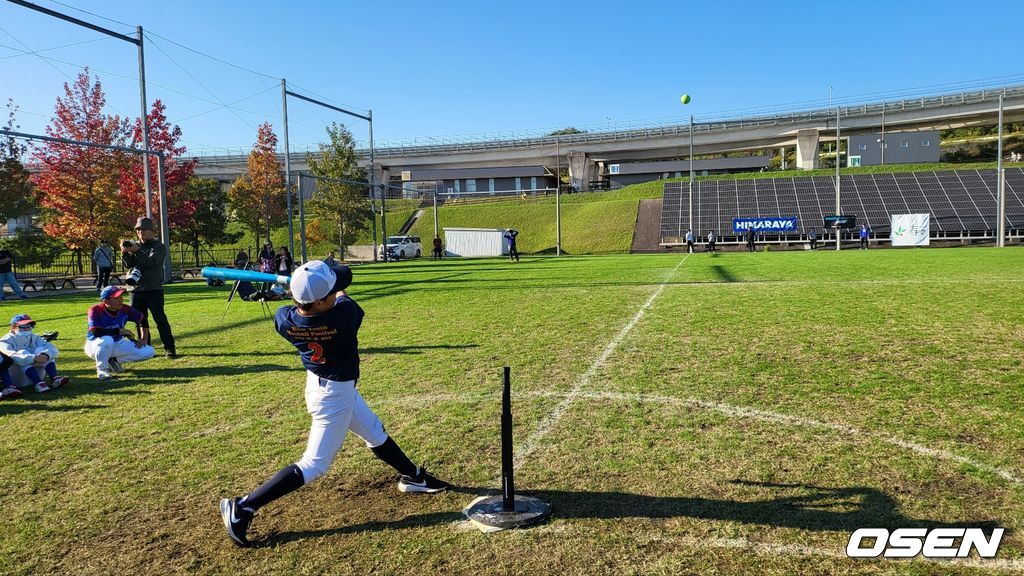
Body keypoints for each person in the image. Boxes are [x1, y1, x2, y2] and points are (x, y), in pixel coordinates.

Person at [219, 261, 448, 547]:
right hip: (333, 395)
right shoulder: (345, 316)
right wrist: (316, 287)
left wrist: (299, 290)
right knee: (313, 464)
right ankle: (243, 507)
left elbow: (306, 303)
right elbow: (341, 289)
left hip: (323, 385)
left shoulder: (285, 320)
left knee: (374, 432)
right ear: (322, 299)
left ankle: (413, 476)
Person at [122, 216, 177, 358]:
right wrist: (125, 252)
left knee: (160, 320)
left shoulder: (158, 246)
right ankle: (145, 348)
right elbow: (129, 265)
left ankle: (169, 348)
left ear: (152, 231)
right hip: (136, 289)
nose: (141, 232)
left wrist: (137, 251)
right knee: (139, 320)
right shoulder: (134, 245)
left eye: (144, 229)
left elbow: (152, 262)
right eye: (138, 229)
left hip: (153, 289)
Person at [84, 286, 155, 379]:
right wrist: (119, 331)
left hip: (117, 342)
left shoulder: (125, 309)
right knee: (107, 339)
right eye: (116, 298)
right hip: (95, 345)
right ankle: (102, 370)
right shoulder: (95, 310)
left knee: (149, 351)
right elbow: (96, 332)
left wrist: (144, 339)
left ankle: (114, 360)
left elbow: (143, 319)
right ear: (106, 301)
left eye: (121, 297)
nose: (121, 300)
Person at [0, 314, 69, 393]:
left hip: (37, 371)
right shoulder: (5, 340)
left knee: (43, 350)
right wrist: (34, 359)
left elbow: (53, 349)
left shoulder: (34, 337)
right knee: (22, 354)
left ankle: (55, 379)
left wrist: (45, 355)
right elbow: (12, 355)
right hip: (17, 377)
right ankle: (38, 383)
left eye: (29, 326)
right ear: (13, 327)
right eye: (23, 326)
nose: (27, 329)